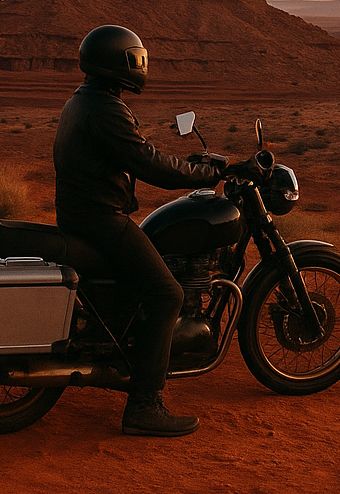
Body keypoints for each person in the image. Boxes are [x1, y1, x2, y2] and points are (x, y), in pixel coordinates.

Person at [53, 24, 220, 437]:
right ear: (120, 62)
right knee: (168, 294)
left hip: (79, 216)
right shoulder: (106, 109)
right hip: (101, 220)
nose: (141, 66)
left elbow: (137, 154)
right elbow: (147, 163)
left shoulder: (84, 100)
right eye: (137, 59)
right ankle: (145, 405)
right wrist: (204, 173)